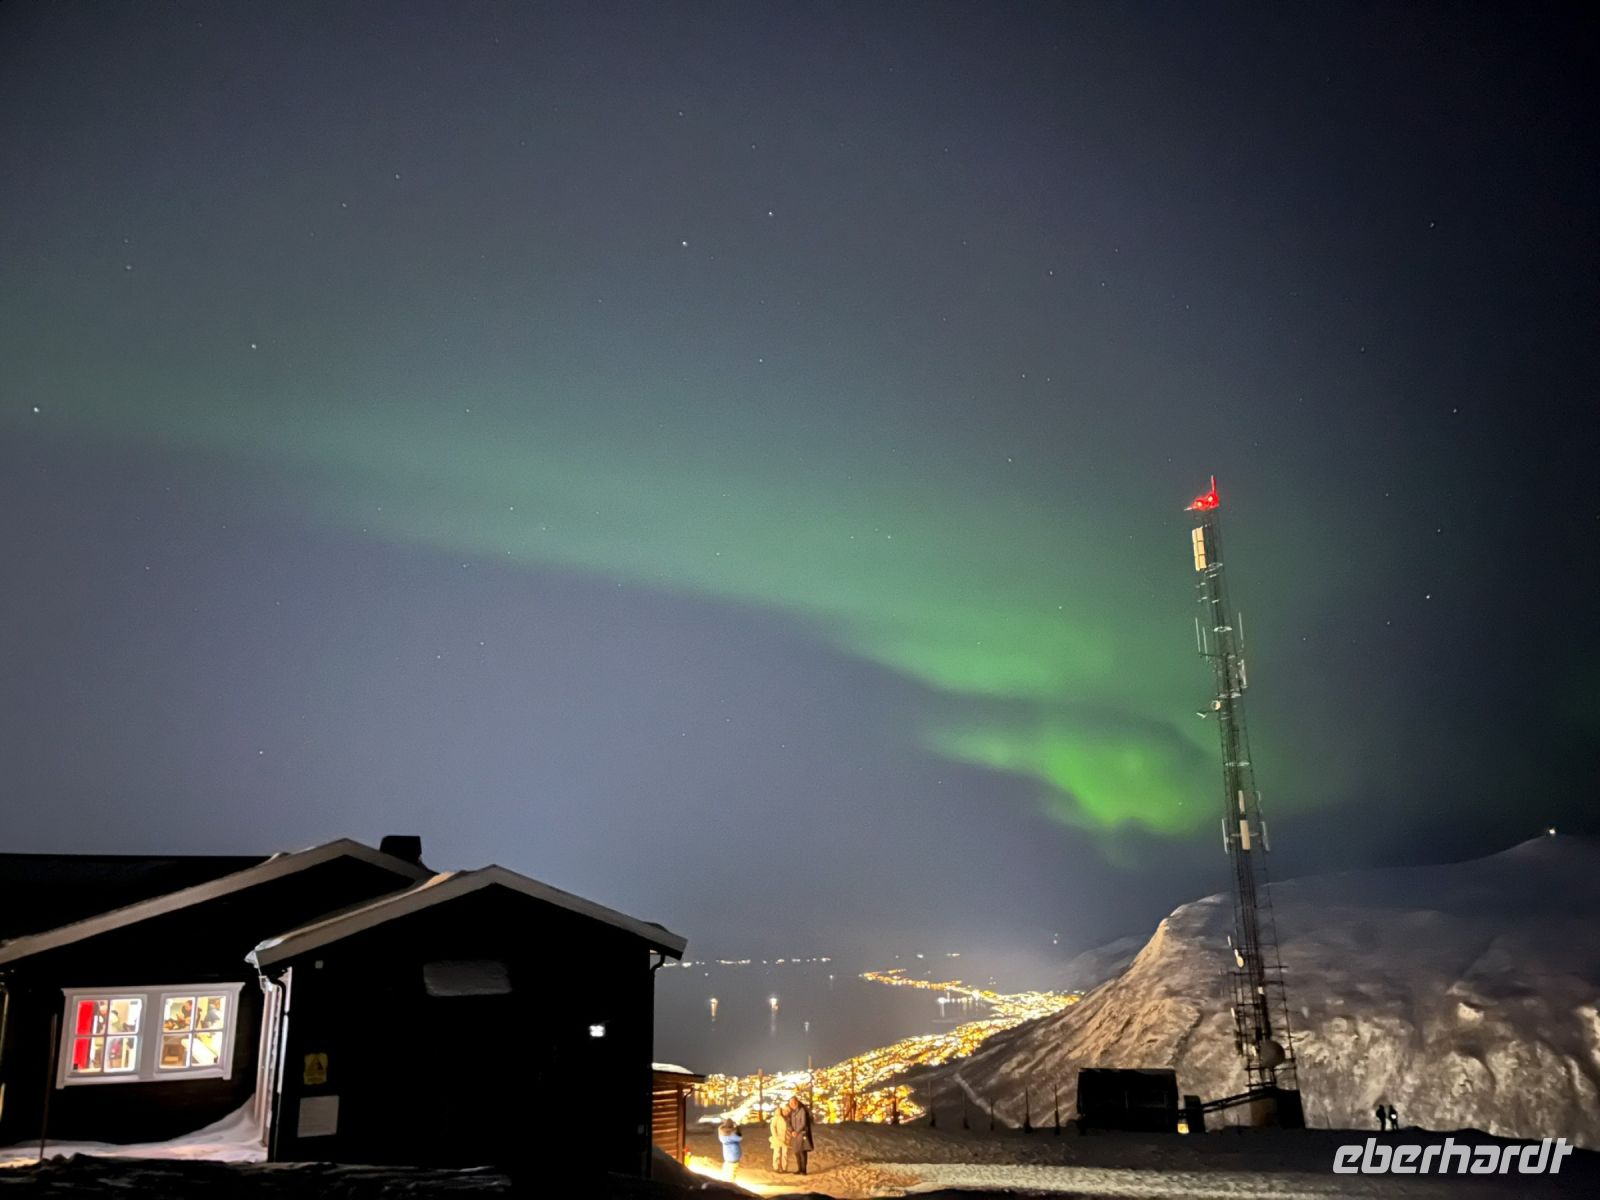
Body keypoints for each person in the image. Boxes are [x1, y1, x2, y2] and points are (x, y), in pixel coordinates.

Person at [786, 1095, 815, 1176]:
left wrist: (796, 1131)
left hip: (801, 1134)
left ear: (796, 1102)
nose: (791, 1104)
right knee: (796, 1152)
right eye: (790, 1103)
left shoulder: (802, 1110)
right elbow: (789, 1123)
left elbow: (803, 1123)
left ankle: (803, 1170)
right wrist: (792, 1131)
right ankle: (799, 1169)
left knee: (802, 1152)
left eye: (793, 1102)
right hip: (794, 1135)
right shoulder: (792, 1112)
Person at [717, 1119, 742, 1183]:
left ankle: (724, 1182)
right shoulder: (732, 1134)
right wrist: (737, 1129)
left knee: (727, 1168)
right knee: (732, 1171)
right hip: (733, 1154)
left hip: (727, 1155)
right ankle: (730, 1184)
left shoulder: (722, 1134)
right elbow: (739, 1138)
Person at [768, 1101, 791, 1172]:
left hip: (786, 1138)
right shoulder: (777, 1116)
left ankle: (784, 1168)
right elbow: (772, 1126)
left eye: (788, 1111)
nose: (786, 1112)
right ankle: (776, 1167)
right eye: (785, 1110)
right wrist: (775, 1135)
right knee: (777, 1153)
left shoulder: (788, 1118)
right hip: (777, 1137)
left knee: (785, 1153)